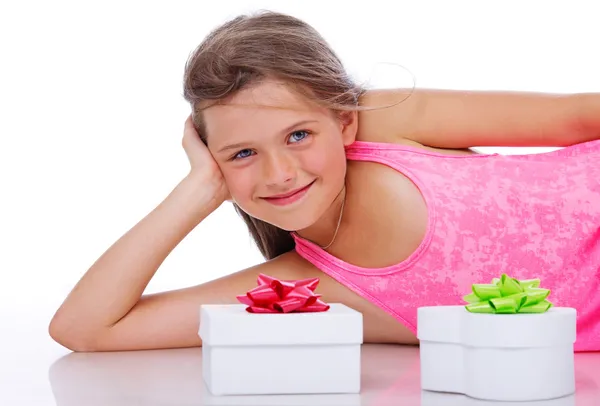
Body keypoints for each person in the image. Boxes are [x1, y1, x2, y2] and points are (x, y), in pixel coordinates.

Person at [49, 10, 600, 353]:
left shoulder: (384, 122)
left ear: (343, 121)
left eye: (297, 136)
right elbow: (86, 328)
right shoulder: (312, 288)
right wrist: (197, 190)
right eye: (242, 153)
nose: (280, 173)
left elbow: (578, 118)